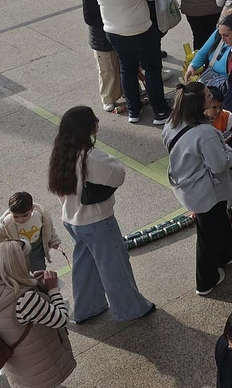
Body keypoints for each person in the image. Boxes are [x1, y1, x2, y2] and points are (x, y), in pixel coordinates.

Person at [47, 106, 153, 323]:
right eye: (94, 119)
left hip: (72, 219)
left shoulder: (61, 154)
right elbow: (118, 173)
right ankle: (131, 309)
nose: (97, 122)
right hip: (96, 221)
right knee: (114, 266)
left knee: (84, 264)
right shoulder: (90, 156)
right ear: (86, 128)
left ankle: (88, 308)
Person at [0, 243, 76, 388]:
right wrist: (53, 289)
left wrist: (33, 282)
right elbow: (60, 319)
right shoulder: (24, 298)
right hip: (37, 365)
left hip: (13, 362)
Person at [161, 83, 232, 295]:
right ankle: (205, 281)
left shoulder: (172, 123)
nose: (211, 96)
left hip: (187, 186)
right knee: (208, 236)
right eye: (207, 95)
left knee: (219, 223)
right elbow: (220, 164)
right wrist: (228, 150)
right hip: (206, 192)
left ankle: (226, 255)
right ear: (199, 103)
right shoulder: (205, 132)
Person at [91, 0, 166, 124]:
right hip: (139, 29)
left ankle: (134, 110)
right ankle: (160, 111)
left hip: (113, 31)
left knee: (127, 69)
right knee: (152, 68)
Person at [0, 190, 62, 274]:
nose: (20, 219)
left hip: (37, 255)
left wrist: (54, 241)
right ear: (10, 212)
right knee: (21, 279)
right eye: (16, 216)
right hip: (17, 258)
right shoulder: (7, 223)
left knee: (40, 275)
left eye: (25, 215)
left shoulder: (41, 216)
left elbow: (49, 230)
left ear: (32, 209)